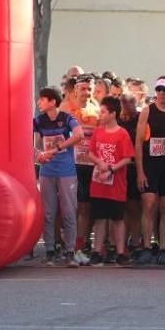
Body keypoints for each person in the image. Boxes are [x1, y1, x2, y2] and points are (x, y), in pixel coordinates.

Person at [135, 76, 165, 265]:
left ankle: (163, 247)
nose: (162, 94)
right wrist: (140, 171)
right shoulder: (148, 111)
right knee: (148, 204)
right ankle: (147, 246)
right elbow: (138, 143)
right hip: (150, 166)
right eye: (158, 90)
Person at [33, 87, 84, 266]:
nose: (38, 102)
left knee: (69, 211)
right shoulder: (39, 121)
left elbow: (79, 135)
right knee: (48, 213)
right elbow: (29, 141)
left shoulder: (67, 118)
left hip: (66, 172)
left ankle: (70, 251)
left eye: (42, 99)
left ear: (53, 102)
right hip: (47, 171)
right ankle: (50, 250)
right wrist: (39, 154)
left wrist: (58, 148)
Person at [87, 96, 135, 265]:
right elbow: (91, 152)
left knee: (117, 219)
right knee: (100, 218)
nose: (100, 115)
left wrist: (111, 169)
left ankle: (121, 251)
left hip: (116, 184)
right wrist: (99, 162)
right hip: (99, 183)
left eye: (103, 112)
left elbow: (128, 157)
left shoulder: (122, 134)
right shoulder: (98, 131)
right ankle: (97, 250)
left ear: (113, 113)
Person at [63, 74, 100, 263]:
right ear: (75, 90)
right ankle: (66, 247)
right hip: (70, 165)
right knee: (70, 207)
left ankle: (78, 247)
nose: (86, 92)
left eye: (89, 89)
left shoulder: (97, 111)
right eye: (82, 89)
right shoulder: (66, 108)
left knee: (85, 207)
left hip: (90, 165)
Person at [118, 93, 143, 252]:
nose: (127, 104)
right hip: (118, 168)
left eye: (131, 101)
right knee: (121, 208)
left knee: (134, 207)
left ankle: (135, 242)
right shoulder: (117, 120)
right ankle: (121, 244)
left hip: (134, 167)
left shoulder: (141, 118)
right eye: (124, 101)